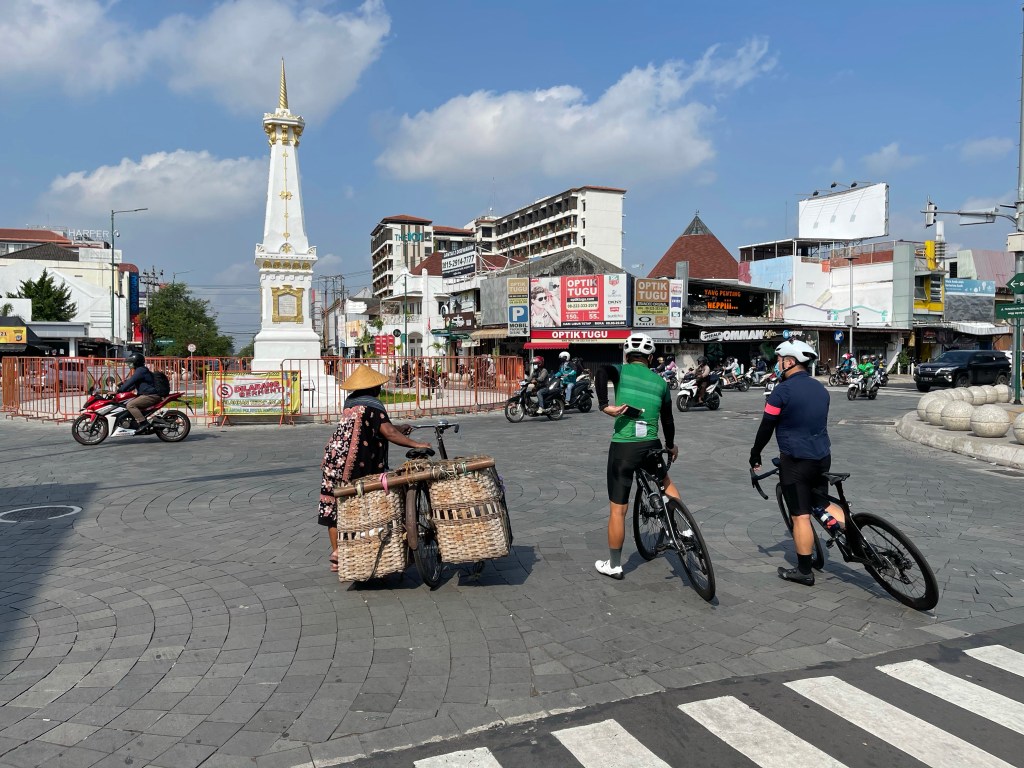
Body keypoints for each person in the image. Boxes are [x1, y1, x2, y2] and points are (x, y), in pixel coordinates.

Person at [748, 340, 845, 586]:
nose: (777, 364)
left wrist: (755, 453)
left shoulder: (781, 391)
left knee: (800, 515)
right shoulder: (821, 389)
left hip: (796, 460)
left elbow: (766, 426)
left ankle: (804, 571)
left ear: (789, 362)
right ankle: (856, 537)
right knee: (821, 502)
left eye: (779, 360)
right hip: (822, 456)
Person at [318, 364, 432, 572]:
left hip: (333, 458)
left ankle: (337, 554)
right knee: (364, 502)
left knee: (334, 504)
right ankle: (368, 551)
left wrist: (400, 428)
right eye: (378, 386)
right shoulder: (373, 403)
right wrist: (417, 444)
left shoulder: (351, 401)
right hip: (355, 461)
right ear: (374, 387)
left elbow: (375, 426)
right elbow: (388, 432)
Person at [594, 333, 680, 579]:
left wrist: (604, 405)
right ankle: (682, 529)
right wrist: (671, 446)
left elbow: (601, 372)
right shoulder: (661, 382)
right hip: (652, 445)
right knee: (665, 482)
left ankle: (614, 565)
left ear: (627, 355)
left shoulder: (621, 370)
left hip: (624, 448)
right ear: (650, 358)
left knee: (618, 510)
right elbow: (668, 420)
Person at [117, 353, 161, 434]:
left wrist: (119, 390)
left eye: (131, 362)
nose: (129, 364)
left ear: (136, 362)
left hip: (150, 396)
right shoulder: (141, 370)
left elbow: (131, 381)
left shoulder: (141, 370)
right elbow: (133, 385)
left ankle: (143, 423)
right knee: (127, 402)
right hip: (147, 395)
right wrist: (123, 390)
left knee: (130, 405)